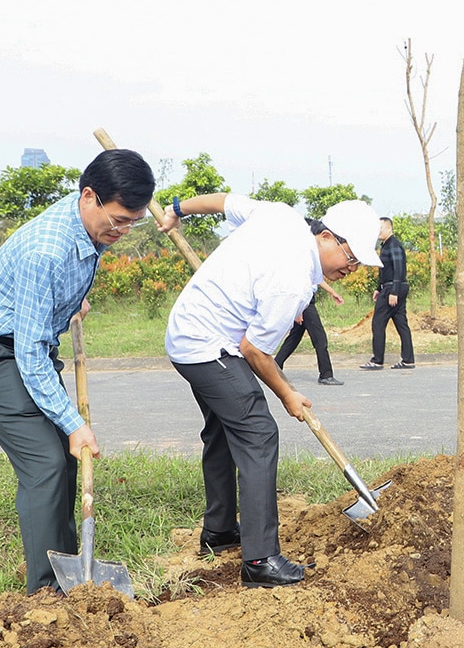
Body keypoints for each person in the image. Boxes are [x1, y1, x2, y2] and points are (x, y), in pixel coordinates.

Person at [0, 149, 155, 595]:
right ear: (88, 197)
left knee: (65, 457)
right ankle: (44, 592)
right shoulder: (46, 249)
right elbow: (28, 353)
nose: (120, 231)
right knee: (44, 462)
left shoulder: (89, 224)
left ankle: (68, 570)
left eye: (132, 223)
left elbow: (50, 303)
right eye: (118, 220)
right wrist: (74, 423)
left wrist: (69, 303)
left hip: (25, 347)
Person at [162, 194, 381, 588]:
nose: (353, 268)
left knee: (224, 430)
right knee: (259, 434)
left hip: (189, 334)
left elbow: (222, 201)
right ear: (328, 237)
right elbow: (256, 353)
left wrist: (177, 210)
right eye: (352, 258)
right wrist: (288, 394)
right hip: (208, 346)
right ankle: (261, 560)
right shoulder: (292, 279)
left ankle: (220, 531)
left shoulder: (282, 215)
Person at [275, 264, 346, 386]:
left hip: (306, 301)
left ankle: (275, 367)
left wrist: (332, 292)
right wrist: (299, 309)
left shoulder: (308, 261)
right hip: (305, 303)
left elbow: (316, 279)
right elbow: (297, 285)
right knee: (320, 339)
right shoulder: (300, 263)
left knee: (293, 338)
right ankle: (326, 375)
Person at [360, 217, 415, 370]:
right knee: (401, 323)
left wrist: (393, 291)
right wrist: (379, 288)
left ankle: (377, 360)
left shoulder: (394, 245)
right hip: (390, 287)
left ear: (389, 229)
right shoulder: (385, 245)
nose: (378, 232)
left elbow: (398, 269)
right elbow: (384, 269)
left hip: (394, 288)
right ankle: (408, 360)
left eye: (381, 229)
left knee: (378, 322)